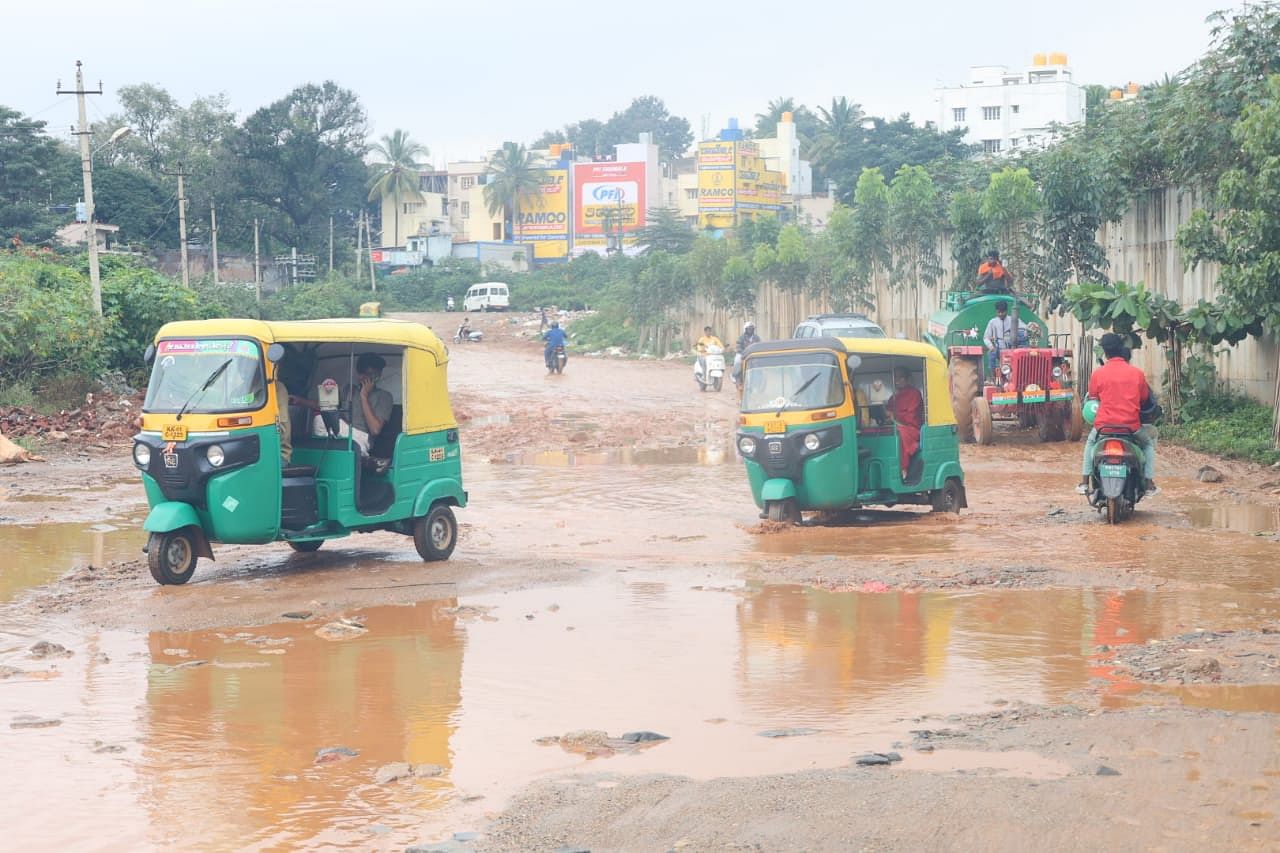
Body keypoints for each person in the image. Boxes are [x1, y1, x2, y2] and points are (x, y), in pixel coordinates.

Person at [1077, 334, 1159, 496]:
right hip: (1131, 427)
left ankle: (1085, 482)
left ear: (1105, 353)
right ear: (1121, 350)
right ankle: (1149, 483)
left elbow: (1093, 397)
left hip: (1103, 428)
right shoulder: (1137, 374)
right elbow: (1144, 399)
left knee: (1090, 442)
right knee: (1148, 444)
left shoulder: (1098, 374)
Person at [291, 353, 392, 457]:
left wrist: (364, 396)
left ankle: (357, 452)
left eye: (374, 375)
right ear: (360, 374)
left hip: (361, 437)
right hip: (340, 431)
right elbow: (326, 406)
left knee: (322, 423)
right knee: (320, 419)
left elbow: (375, 430)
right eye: (367, 374)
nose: (370, 378)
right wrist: (300, 401)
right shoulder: (348, 389)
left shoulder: (384, 397)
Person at [887, 366, 924, 481]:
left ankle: (903, 469)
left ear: (907, 379)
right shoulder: (893, 397)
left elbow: (911, 416)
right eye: (895, 378)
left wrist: (895, 416)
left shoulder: (915, 394)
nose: (897, 380)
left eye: (900, 377)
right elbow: (888, 413)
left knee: (899, 433)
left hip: (912, 429)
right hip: (896, 426)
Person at [983, 301, 1014, 373]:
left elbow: (1024, 328)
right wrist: (991, 347)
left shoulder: (1013, 320)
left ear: (1006, 311)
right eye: (998, 312)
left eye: (1002, 312)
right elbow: (986, 337)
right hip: (998, 349)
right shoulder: (992, 322)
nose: (1000, 314)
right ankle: (994, 376)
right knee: (991, 354)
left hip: (1011, 348)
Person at [733, 322, 761, 387]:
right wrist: (742, 352)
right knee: (737, 361)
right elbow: (738, 345)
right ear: (745, 329)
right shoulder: (741, 337)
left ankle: (760, 379)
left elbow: (759, 345)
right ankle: (736, 375)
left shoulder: (756, 338)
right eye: (749, 329)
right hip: (743, 354)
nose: (750, 330)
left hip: (753, 355)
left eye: (751, 329)